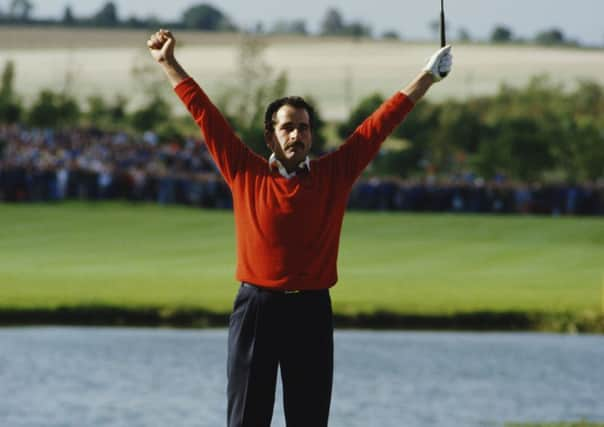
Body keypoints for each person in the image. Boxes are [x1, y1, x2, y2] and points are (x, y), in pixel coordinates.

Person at [147, 29, 452, 427]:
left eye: (304, 128)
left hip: (310, 309)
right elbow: (205, 115)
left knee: (308, 419)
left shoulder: (334, 173)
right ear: (270, 136)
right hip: (256, 306)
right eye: (288, 127)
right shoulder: (245, 170)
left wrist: (427, 75)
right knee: (246, 418)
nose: (297, 134)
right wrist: (169, 63)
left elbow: (379, 125)